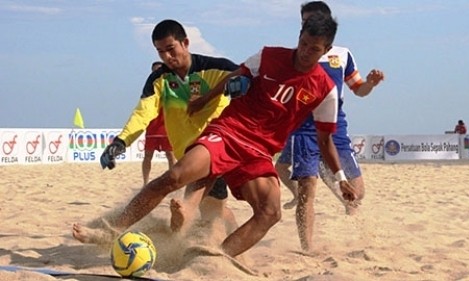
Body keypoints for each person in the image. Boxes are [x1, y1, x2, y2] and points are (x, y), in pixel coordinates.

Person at [74, 14, 358, 258]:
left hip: (259, 152)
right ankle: (111, 232)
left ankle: (213, 256)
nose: (305, 52)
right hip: (228, 133)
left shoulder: (325, 90)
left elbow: (325, 141)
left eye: (314, 49)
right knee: (174, 177)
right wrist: (218, 93)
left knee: (270, 211)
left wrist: (341, 179)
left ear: (327, 49)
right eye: (303, 43)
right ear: (299, 36)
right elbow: (234, 75)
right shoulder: (269, 55)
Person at [73, 19, 238, 243]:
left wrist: (241, 85)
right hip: (186, 153)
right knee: (214, 209)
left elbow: (250, 77)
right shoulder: (158, 79)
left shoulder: (216, 68)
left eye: (171, 49)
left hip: (216, 147)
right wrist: (120, 143)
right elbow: (143, 113)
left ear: (185, 43)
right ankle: (231, 243)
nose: (167, 57)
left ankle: (114, 231)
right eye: (161, 52)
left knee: (168, 187)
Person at [275, 1, 385, 251]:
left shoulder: (343, 55)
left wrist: (371, 83)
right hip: (303, 129)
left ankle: (328, 174)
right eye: (303, 22)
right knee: (306, 192)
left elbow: (359, 90)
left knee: (357, 195)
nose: (307, 26)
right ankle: (308, 249)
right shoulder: (297, 55)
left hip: (336, 127)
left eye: (312, 20)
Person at [142, 61, 176, 185]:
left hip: (167, 126)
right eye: (154, 71)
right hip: (152, 126)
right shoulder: (150, 87)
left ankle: (173, 182)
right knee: (148, 156)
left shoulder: (171, 85)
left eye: (159, 70)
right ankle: (145, 183)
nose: (157, 73)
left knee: (171, 155)